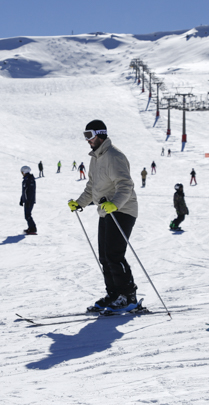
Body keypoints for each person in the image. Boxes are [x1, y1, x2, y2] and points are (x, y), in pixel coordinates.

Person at [68, 119, 139, 311]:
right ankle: (114, 294)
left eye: (89, 136)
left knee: (114, 255)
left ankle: (128, 296)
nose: (87, 140)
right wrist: (79, 203)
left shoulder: (114, 156)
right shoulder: (96, 158)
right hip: (106, 211)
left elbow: (126, 185)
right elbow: (92, 186)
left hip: (122, 210)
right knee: (105, 257)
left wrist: (115, 205)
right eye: (85, 136)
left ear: (100, 134)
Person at [19, 165, 37, 234]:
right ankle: (31, 228)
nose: (22, 173)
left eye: (22, 172)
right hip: (27, 201)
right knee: (27, 215)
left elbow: (31, 191)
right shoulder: (26, 179)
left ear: (25, 171)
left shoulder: (30, 179)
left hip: (29, 201)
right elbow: (24, 191)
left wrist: (28, 200)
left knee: (28, 215)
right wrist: (21, 199)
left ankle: (33, 229)